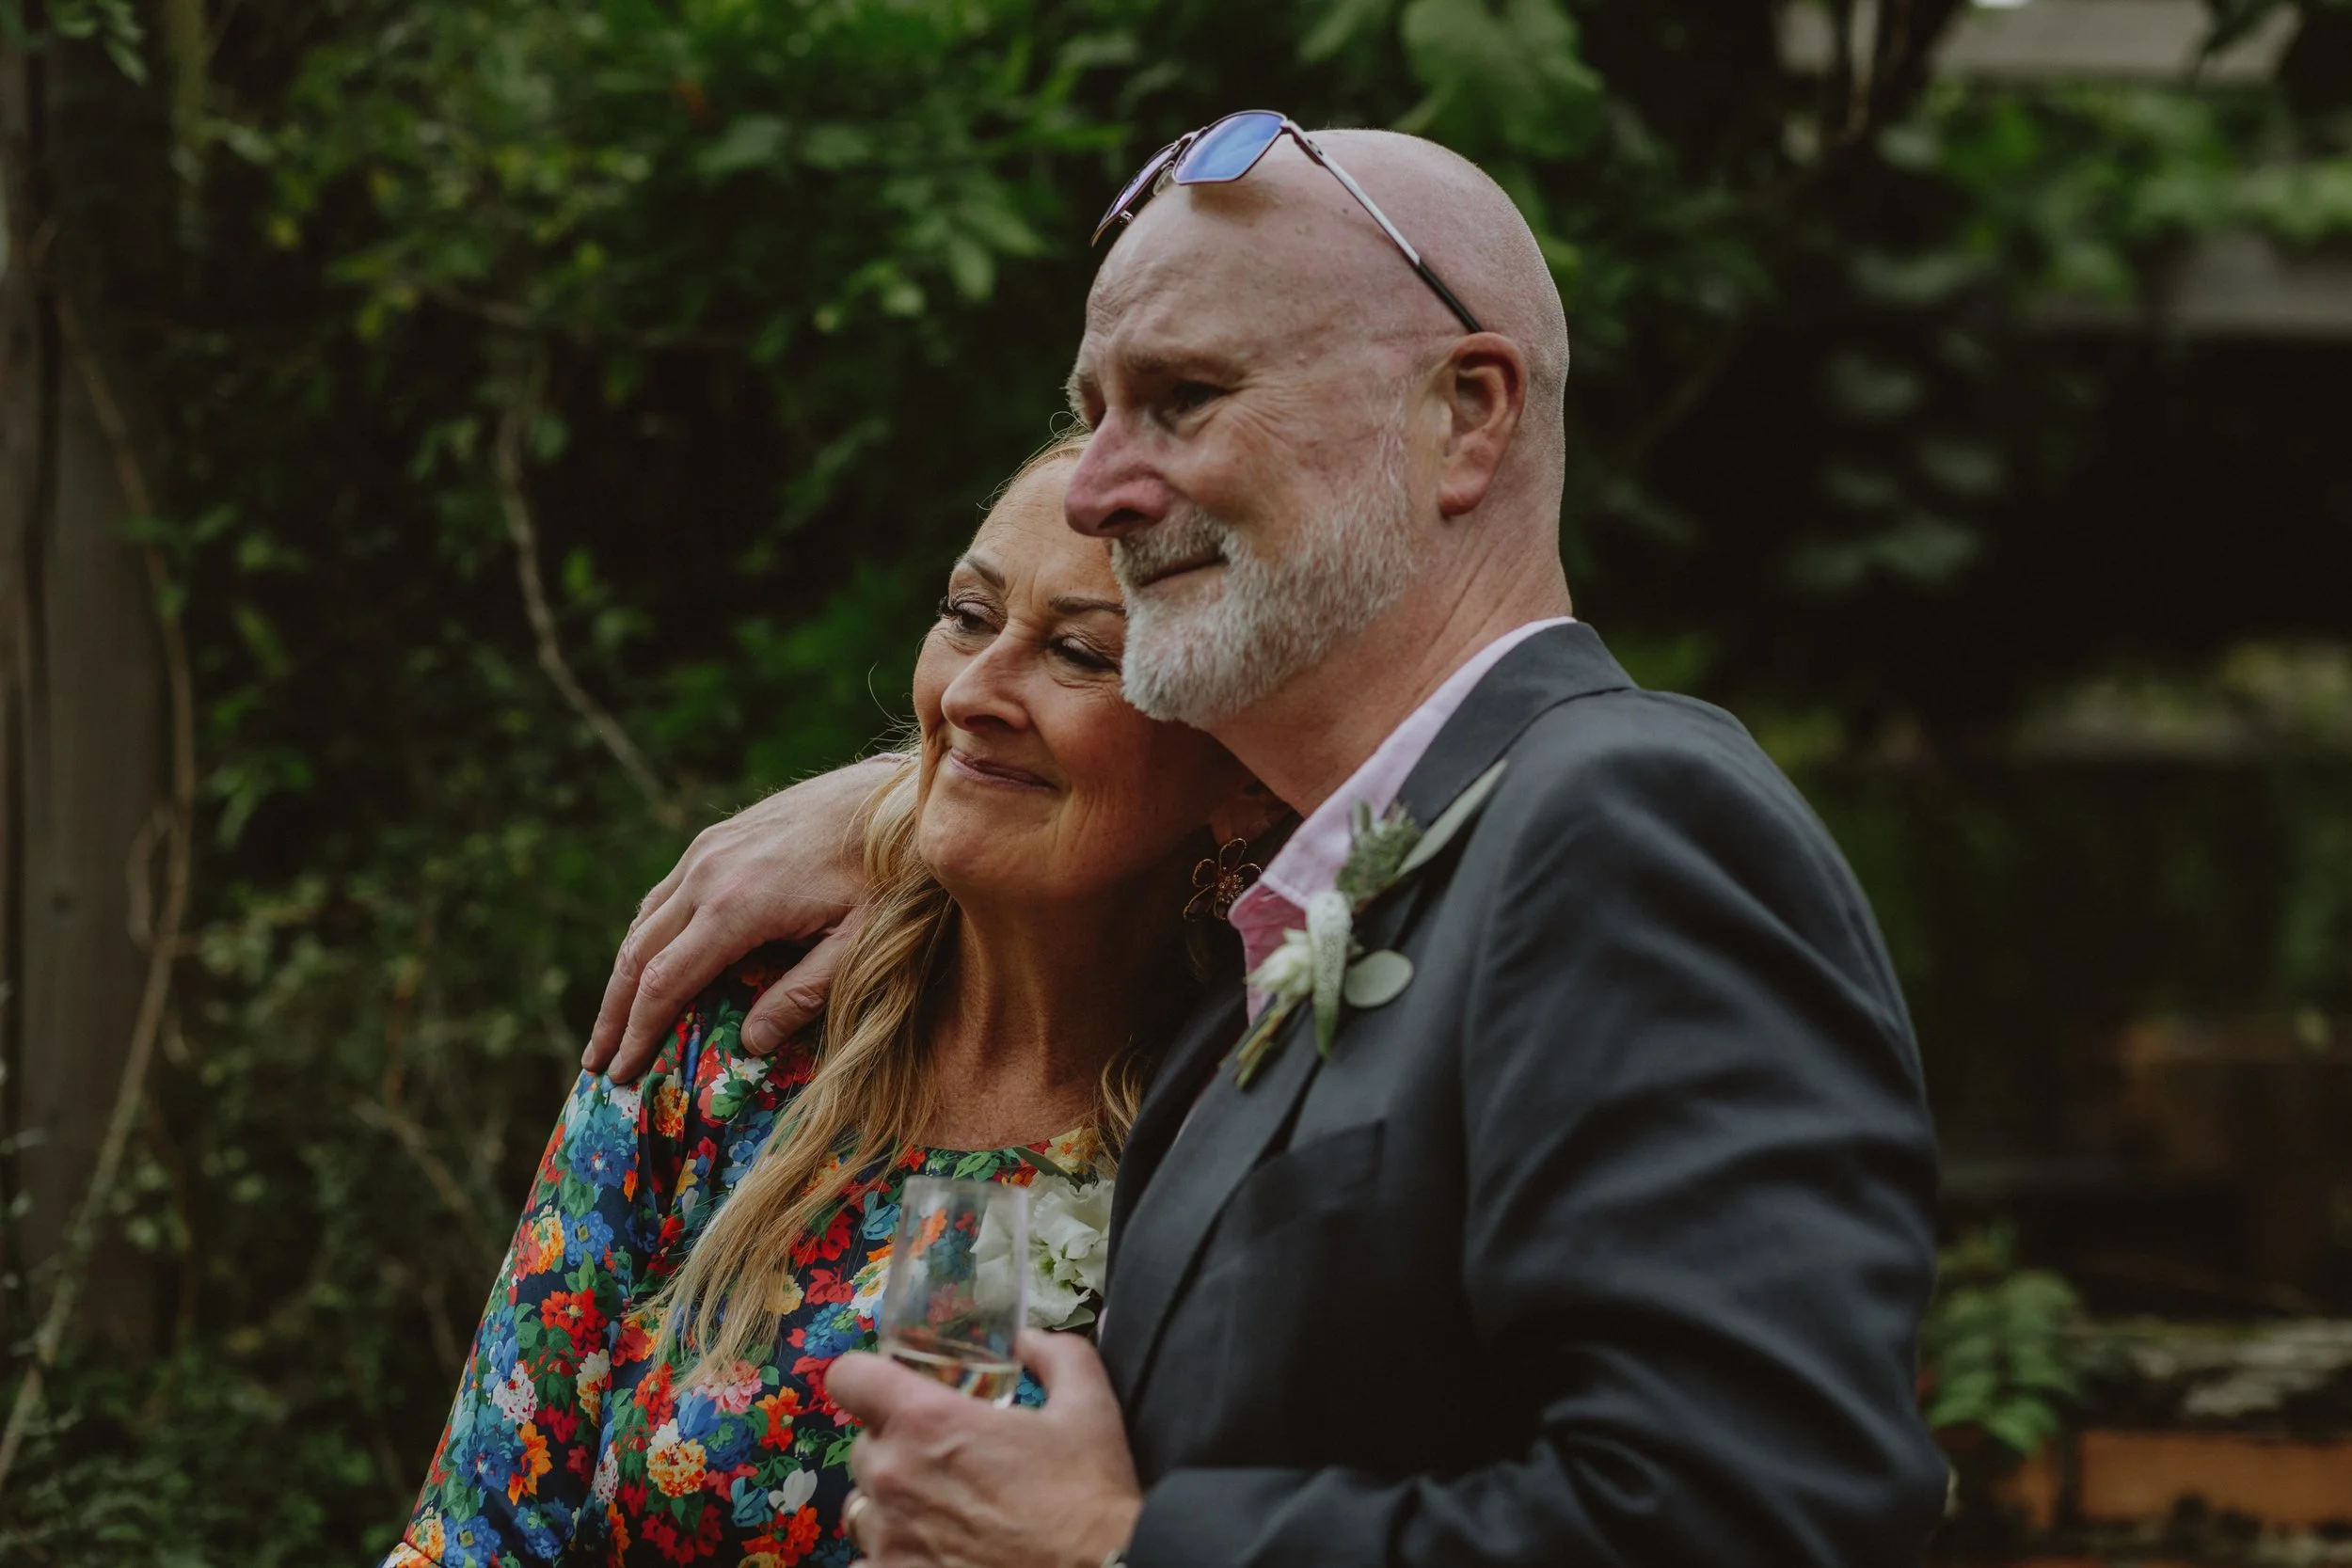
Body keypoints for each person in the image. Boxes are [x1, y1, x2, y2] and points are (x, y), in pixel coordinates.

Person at [586, 122, 1948, 1566]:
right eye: (1093, 408)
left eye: (1183, 399)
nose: (1102, 492)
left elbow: (1767, 1520)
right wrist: (911, 820)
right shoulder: (1269, 959)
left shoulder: (1627, 819)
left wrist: (1121, 1545)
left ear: (1466, 417)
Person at [385, 434, 1279, 1567]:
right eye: (966, 613)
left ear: (1244, 756)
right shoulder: (744, 1022)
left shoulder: (1266, 1112)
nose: (972, 693)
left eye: (1080, 653)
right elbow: (478, 1530)